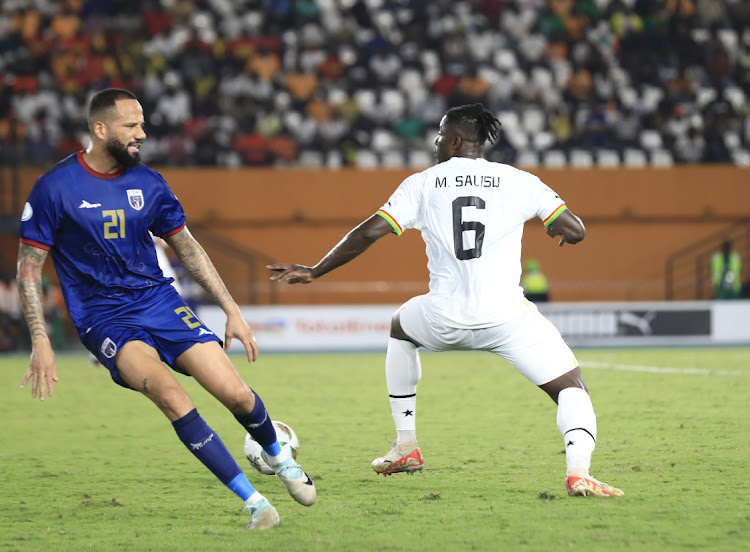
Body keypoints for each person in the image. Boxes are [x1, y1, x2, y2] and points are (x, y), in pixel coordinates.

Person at [269, 103, 623, 498]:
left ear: (454, 140)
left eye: (439, 135)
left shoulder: (422, 184)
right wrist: (562, 230)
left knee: (401, 326)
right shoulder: (520, 181)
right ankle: (578, 472)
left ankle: (406, 445)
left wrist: (317, 270)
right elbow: (576, 229)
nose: (436, 142)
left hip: (443, 315)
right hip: (506, 318)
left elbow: (368, 233)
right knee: (571, 388)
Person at [17, 88, 315, 530]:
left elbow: (188, 249)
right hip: (105, 319)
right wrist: (40, 339)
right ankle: (255, 503)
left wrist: (230, 308)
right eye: (131, 126)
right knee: (172, 397)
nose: (142, 133)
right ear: (100, 129)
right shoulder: (54, 188)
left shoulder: (149, 183)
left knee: (233, 392)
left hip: (159, 301)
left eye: (142, 124)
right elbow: (29, 268)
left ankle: (279, 457)